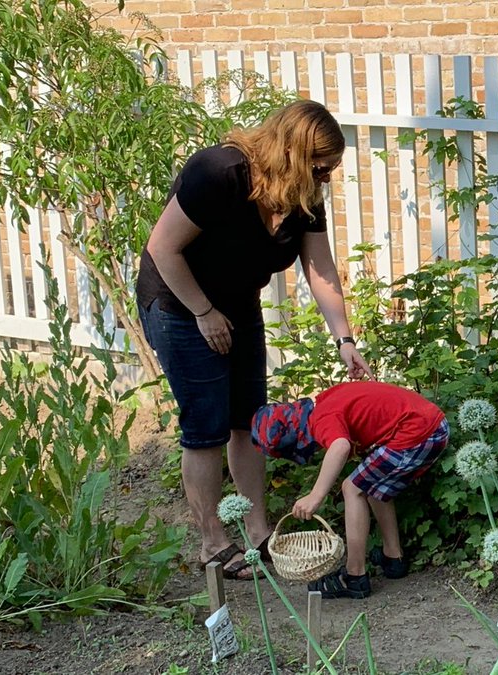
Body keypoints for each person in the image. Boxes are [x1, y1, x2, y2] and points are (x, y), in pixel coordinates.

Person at [136, 100, 372, 580]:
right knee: (206, 425)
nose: (325, 179)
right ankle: (212, 542)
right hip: (180, 302)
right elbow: (162, 247)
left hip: (238, 303)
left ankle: (258, 532)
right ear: (292, 153)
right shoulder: (218, 172)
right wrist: (203, 312)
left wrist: (345, 339)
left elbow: (320, 268)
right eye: (320, 168)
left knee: (249, 418)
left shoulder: (302, 196)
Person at [250, 381, 449, 598]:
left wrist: (316, 495)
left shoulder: (321, 421)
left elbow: (340, 446)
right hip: (431, 425)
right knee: (371, 486)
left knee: (352, 488)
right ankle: (394, 558)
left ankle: (355, 577)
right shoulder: (324, 402)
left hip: (418, 432)